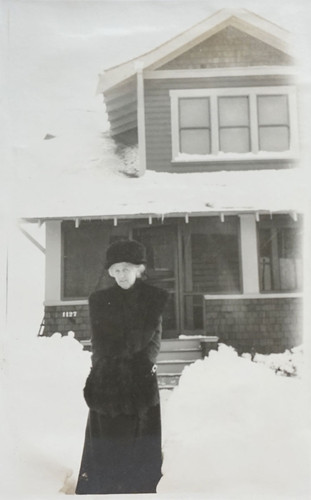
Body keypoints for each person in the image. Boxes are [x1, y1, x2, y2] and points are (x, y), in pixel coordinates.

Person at [75, 239, 169, 495]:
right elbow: (97, 341)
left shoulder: (153, 299)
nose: (120, 275)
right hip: (108, 376)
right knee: (106, 435)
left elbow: (155, 339)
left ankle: (137, 489)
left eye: (125, 269)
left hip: (140, 375)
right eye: (115, 270)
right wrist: (99, 370)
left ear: (139, 268)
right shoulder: (100, 300)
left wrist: (145, 366)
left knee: (140, 434)